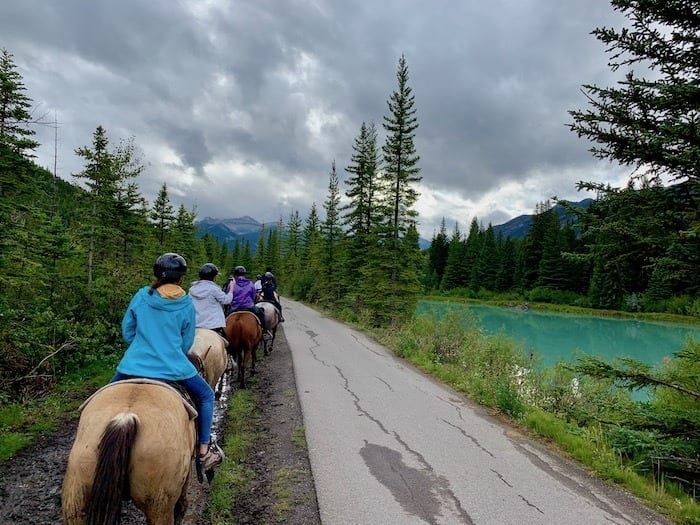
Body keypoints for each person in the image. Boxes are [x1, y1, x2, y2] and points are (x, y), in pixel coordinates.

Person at [110, 253, 225, 471]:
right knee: (206, 395)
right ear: (181, 278)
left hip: (132, 366)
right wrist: (167, 352)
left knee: (99, 400)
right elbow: (186, 343)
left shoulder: (142, 295)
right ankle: (203, 452)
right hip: (173, 368)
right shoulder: (185, 303)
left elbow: (127, 332)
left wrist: (143, 348)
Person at [189, 263, 232, 340]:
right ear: (213, 277)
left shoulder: (192, 289)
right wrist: (231, 289)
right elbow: (226, 300)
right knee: (226, 344)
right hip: (212, 326)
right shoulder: (214, 289)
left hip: (195, 326)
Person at [227, 265, 270, 337]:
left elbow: (229, 296)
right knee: (261, 314)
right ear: (244, 274)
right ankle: (264, 332)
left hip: (235, 308)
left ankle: (223, 335)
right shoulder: (250, 283)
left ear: (235, 274)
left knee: (225, 319)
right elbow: (253, 296)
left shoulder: (231, 284)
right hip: (249, 307)